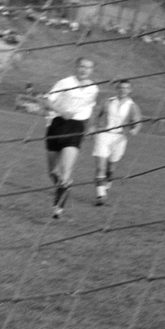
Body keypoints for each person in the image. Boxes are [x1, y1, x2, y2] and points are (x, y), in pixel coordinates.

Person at [43, 57, 98, 219]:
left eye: (88, 67)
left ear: (92, 70)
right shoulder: (64, 83)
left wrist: (92, 126)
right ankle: (62, 186)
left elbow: (91, 108)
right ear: (76, 67)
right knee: (53, 172)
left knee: (66, 171)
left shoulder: (93, 88)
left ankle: (58, 208)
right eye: (82, 66)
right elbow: (47, 101)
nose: (84, 70)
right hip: (57, 125)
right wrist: (62, 111)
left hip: (76, 127)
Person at [91, 79, 143, 205]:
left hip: (120, 139)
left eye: (126, 88)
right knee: (100, 166)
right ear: (117, 89)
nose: (123, 90)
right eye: (120, 88)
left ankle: (107, 183)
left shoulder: (133, 106)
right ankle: (100, 195)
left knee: (111, 168)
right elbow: (96, 115)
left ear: (130, 90)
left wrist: (134, 130)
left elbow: (137, 122)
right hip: (103, 135)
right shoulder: (107, 102)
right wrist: (92, 127)